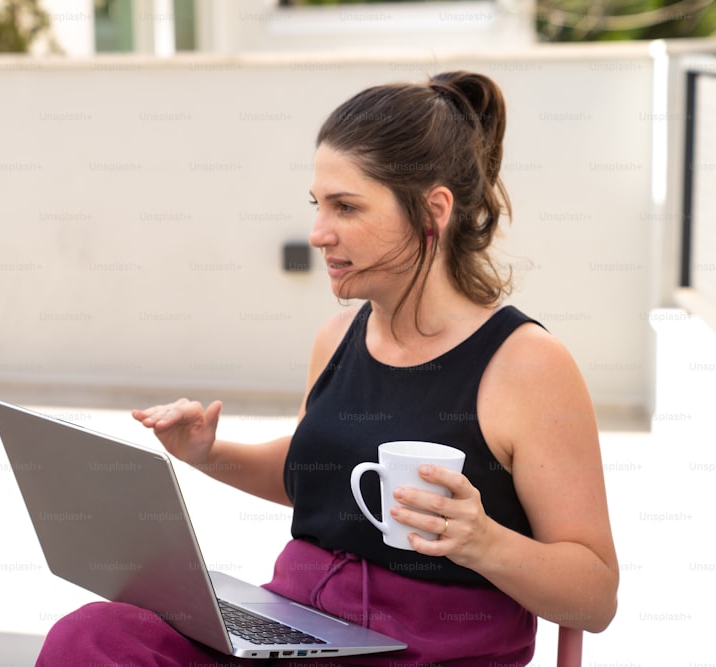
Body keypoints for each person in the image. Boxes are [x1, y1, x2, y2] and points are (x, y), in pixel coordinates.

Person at [35, 70, 619, 666]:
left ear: (432, 211)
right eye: (318, 205)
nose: (318, 233)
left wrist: (484, 542)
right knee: (93, 636)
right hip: (303, 629)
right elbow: (311, 475)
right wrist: (206, 453)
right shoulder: (338, 336)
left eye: (346, 206)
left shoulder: (526, 364)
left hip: (427, 650)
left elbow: (594, 597)